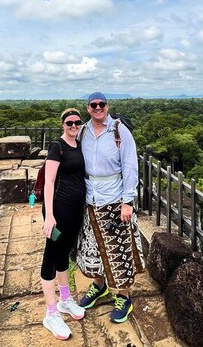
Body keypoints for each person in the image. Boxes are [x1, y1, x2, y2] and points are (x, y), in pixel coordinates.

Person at [76, 92, 145, 323]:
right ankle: (99, 285)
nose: (98, 108)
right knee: (93, 247)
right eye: (93, 105)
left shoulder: (118, 131)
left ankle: (124, 297)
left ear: (107, 106)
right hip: (90, 198)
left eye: (101, 104)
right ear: (88, 108)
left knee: (119, 249)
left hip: (114, 197)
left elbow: (130, 166)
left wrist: (128, 202)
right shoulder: (83, 131)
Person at [40, 108, 87, 340]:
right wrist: (49, 215)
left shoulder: (79, 145)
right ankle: (50, 312)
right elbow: (49, 182)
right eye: (69, 123)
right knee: (51, 255)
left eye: (77, 122)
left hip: (75, 211)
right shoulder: (57, 147)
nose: (73, 126)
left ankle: (65, 299)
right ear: (63, 125)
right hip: (58, 210)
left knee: (64, 253)